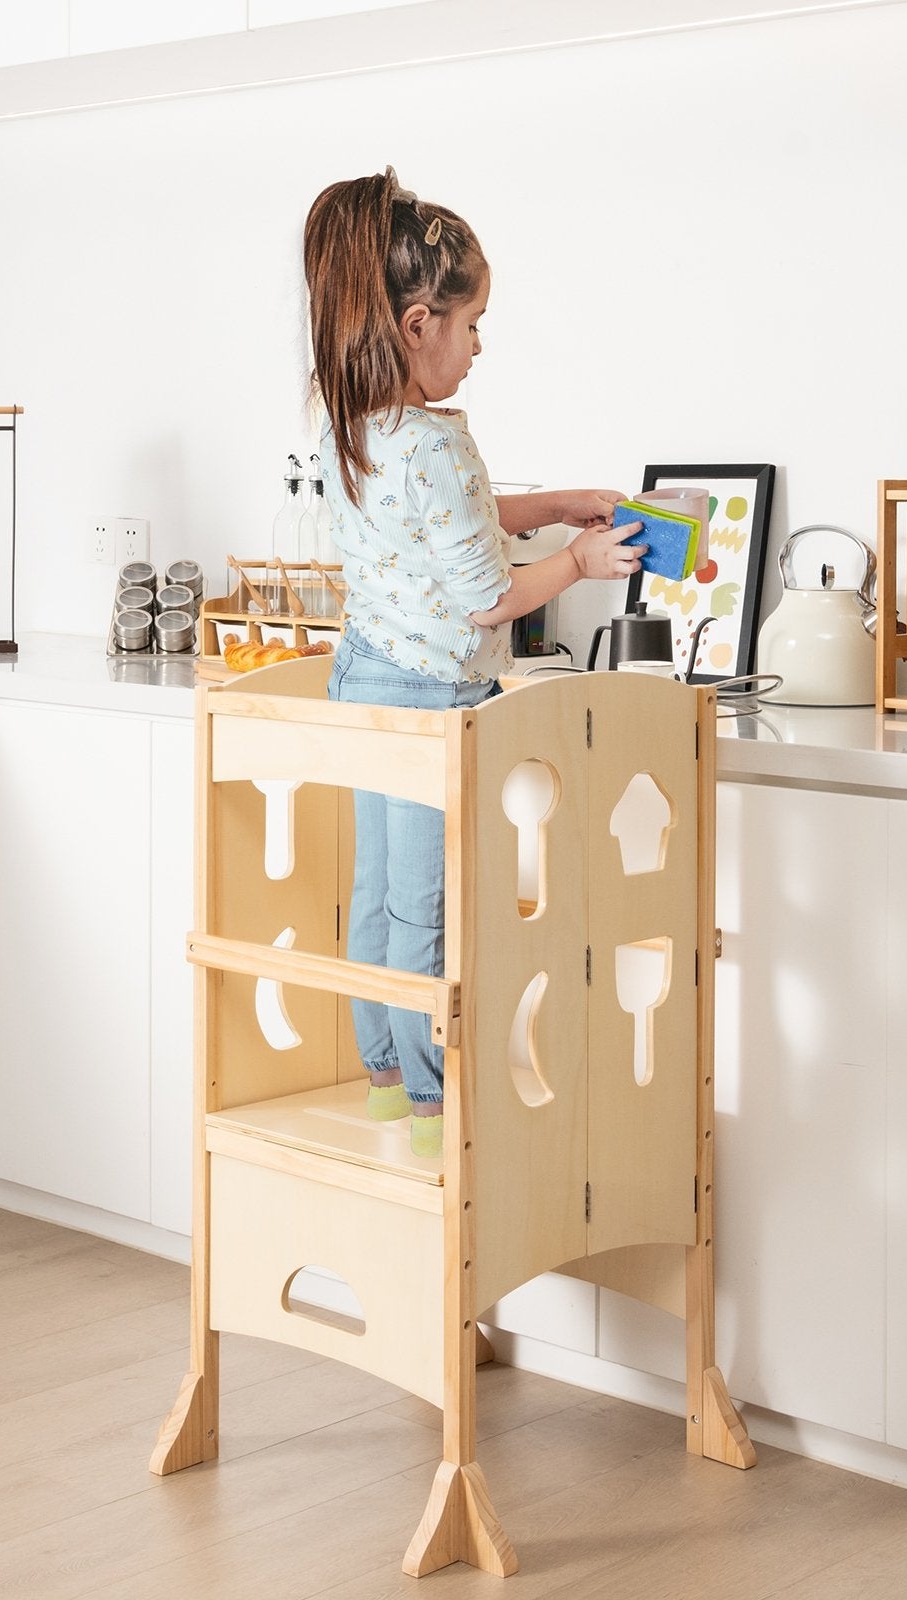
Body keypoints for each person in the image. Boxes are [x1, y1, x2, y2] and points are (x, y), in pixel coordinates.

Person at [302, 167, 643, 1159]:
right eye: (473, 322)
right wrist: (577, 562)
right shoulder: (436, 447)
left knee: (377, 892)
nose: (480, 344)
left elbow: (450, 529)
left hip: (364, 674)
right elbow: (489, 593)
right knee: (425, 903)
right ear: (419, 324)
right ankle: (431, 1098)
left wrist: (549, 506)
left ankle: (381, 1077)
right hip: (426, 694)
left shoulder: (363, 424)